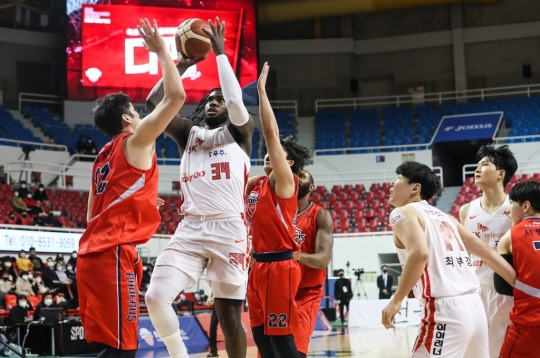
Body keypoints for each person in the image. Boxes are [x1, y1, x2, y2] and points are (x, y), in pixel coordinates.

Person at [144, 18, 254, 358]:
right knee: (155, 296)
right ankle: (179, 354)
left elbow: (236, 103)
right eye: (209, 98)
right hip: (190, 227)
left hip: (229, 228)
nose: (214, 102)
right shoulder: (188, 133)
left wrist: (220, 51)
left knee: (229, 316)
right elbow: (152, 104)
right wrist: (182, 63)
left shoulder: (240, 133)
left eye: (219, 99)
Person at [76, 18, 185, 358]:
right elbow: (176, 96)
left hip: (92, 254)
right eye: (136, 112)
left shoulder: (102, 157)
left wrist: (142, 206)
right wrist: (162, 52)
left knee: (109, 346)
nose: (140, 116)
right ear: (126, 120)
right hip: (112, 253)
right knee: (123, 349)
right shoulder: (135, 140)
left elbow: (95, 211)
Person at [382, 161, 516, 357]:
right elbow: (487, 253)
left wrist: (396, 300)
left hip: (444, 309)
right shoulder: (446, 217)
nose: (391, 184)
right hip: (475, 306)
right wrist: (522, 287)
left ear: (415, 188)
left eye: (398, 178)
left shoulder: (402, 213)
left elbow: (419, 254)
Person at [244, 62, 310, 358]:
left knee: (282, 342)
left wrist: (261, 93)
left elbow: (270, 133)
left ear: (289, 163)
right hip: (257, 266)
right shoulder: (255, 185)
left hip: (280, 267)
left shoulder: (286, 182)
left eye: (276, 155)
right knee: (261, 340)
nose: (268, 156)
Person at [459, 144, 517, 358]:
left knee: (499, 352)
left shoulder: (516, 208)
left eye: (484, 164)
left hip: (504, 291)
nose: (477, 169)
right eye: (477, 165)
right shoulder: (466, 210)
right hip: (473, 291)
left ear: (501, 174)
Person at [292, 169, 334, 358]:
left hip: (306, 293)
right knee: (270, 350)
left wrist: (296, 255)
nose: (296, 178)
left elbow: (323, 259)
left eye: (302, 176)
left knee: (296, 350)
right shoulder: (278, 213)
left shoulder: (320, 215)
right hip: (278, 291)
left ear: (311, 187)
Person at [496, 181, 540, 358]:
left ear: (525, 206)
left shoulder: (511, 236)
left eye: (511, 204)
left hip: (529, 324)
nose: (508, 211)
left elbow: (502, 287)